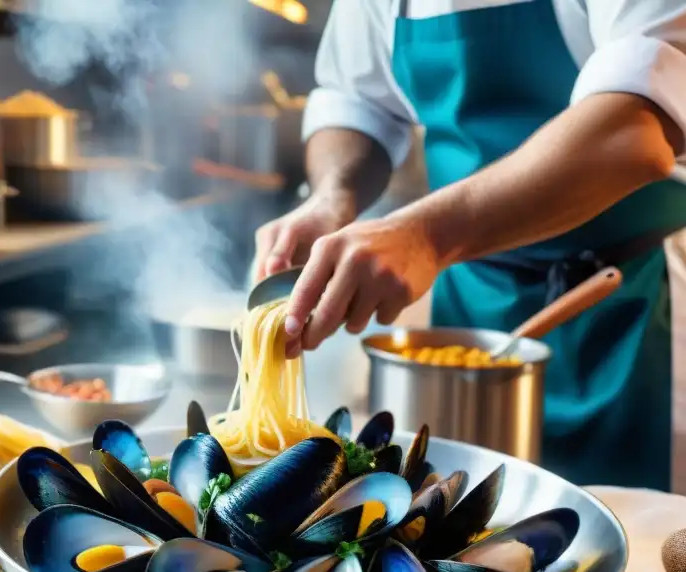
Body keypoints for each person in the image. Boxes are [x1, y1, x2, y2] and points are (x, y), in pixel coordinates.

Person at [253, 0, 686, 492]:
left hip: (638, 304)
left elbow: (636, 128)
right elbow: (357, 100)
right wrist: (333, 197)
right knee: (458, 519)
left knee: (636, 537)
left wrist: (424, 235)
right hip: (469, 301)